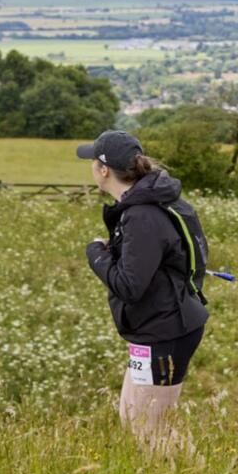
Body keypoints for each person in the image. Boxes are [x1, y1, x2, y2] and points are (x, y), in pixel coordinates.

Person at [77, 130, 209, 443]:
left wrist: (95, 254)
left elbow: (129, 286)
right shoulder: (148, 203)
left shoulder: (142, 215)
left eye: (93, 162)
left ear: (104, 170)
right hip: (152, 331)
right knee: (130, 417)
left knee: (150, 429)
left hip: (165, 334)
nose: (92, 167)